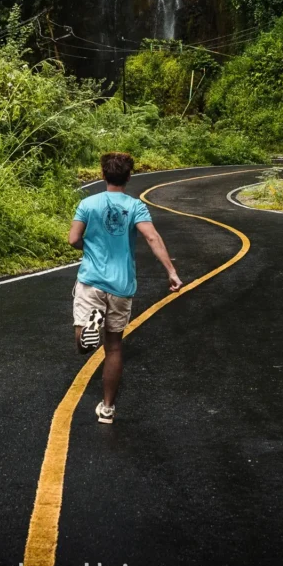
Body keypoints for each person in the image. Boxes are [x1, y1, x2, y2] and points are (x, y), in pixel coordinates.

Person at [69, 151, 182, 424]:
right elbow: (152, 237)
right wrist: (172, 272)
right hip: (122, 285)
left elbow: (73, 239)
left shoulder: (88, 203)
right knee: (115, 349)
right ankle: (107, 409)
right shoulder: (135, 207)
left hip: (92, 280)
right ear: (129, 177)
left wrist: (91, 248)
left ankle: (89, 327)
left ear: (103, 175)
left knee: (83, 345)